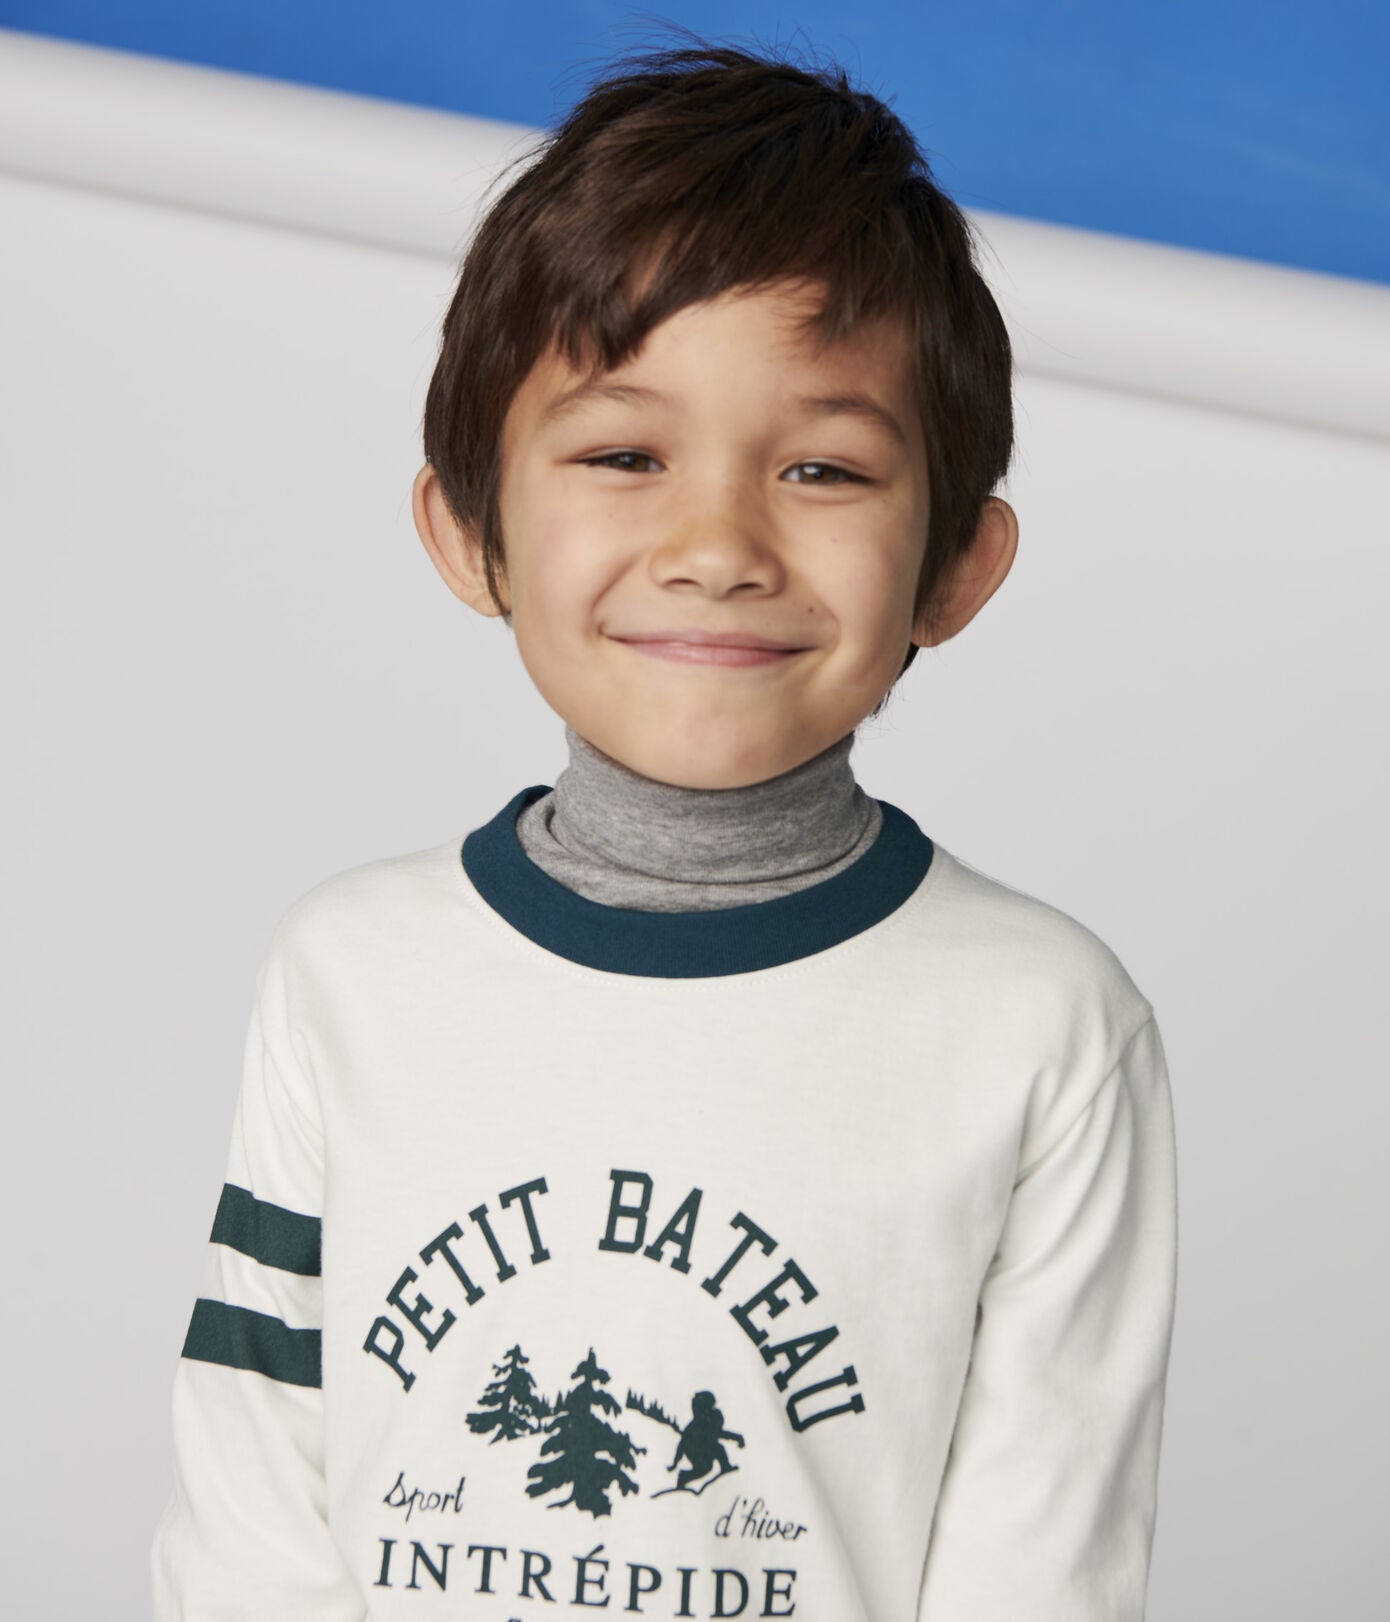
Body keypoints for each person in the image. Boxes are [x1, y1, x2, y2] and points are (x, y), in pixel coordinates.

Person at [152, 33, 1178, 1621]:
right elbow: (248, 1508)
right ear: (470, 531)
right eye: (624, 455)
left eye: (822, 468)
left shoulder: (1044, 1026)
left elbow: (1042, 1567)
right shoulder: (347, 971)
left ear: (956, 566)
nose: (716, 546)